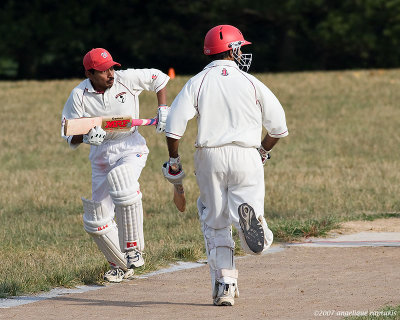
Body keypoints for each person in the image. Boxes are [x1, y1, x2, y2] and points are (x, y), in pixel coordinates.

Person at [162, 25, 288, 306]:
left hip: (210, 156)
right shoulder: (251, 82)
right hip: (246, 154)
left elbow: (173, 129)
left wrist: (173, 160)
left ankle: (226, 285)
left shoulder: (198, 81)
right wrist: (263, 151)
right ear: (231, 50)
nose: (242, 52)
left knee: (215, 221)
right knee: (252, 216)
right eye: (240, 47)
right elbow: (278, 129)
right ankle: (253, 233)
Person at [61, 48, 170, 283]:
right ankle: (120, 265)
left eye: (111, 67)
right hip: (100, 154)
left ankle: (133, 249)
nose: (110, 74)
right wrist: (87, 137)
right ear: (89, 73)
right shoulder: (79, 95)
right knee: (96, 220)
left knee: (122, 181)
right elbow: (70, 134)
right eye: (103, 71)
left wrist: (163, 109)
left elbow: (159, 78)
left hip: (130, 145)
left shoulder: (125, 79)